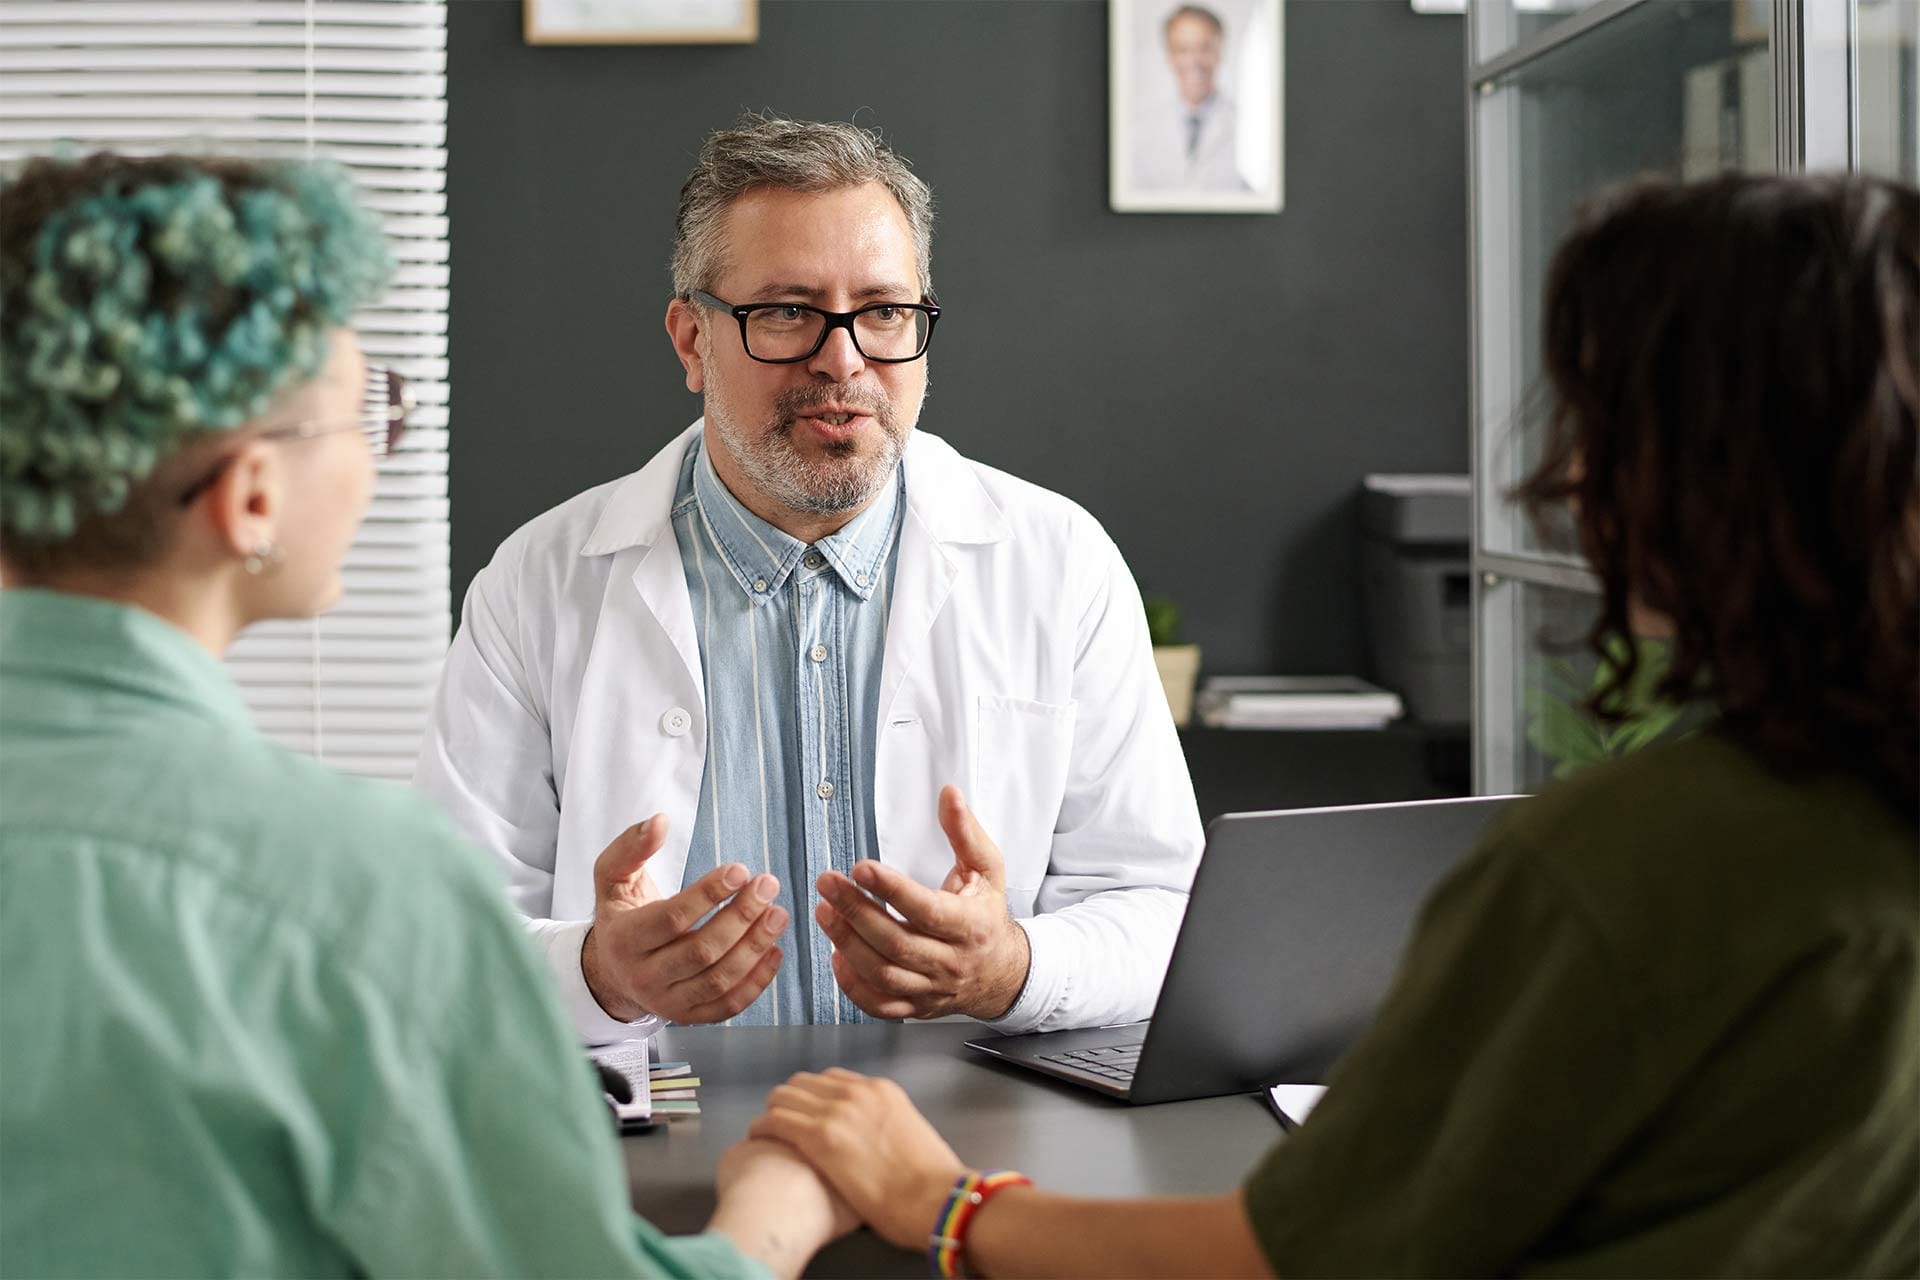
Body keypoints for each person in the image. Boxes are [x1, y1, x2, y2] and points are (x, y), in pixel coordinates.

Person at [747, 173, 1920, 1277]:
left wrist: (943, 1200)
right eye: (789, 312)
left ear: (1703, 475)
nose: (1571, 479)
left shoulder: (1614, 870)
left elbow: (1288, 1255)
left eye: (1605, 423)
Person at [0, 152, 850, 1278]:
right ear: (252, 496)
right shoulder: (349, 888)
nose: (378, 445)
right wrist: (778, 1210)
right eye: (366, 413)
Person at [415, 114, 1204, 1041]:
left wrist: (1011, 969)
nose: (844, 359)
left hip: (961, 1122)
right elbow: (443, 939)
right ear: (692, 341)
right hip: (663, 1120)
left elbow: (1162, 908)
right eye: (787, 312)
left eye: (883, 311)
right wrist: (599, 974)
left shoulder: (1059, 563)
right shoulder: (536, 585)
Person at [1134, 4, 1249, 193]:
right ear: (1169, 56)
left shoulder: (1249, 128)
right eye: (1183, 49)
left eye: (1204, 48)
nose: (1194, 60)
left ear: (1220, 51)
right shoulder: (1140, 132)